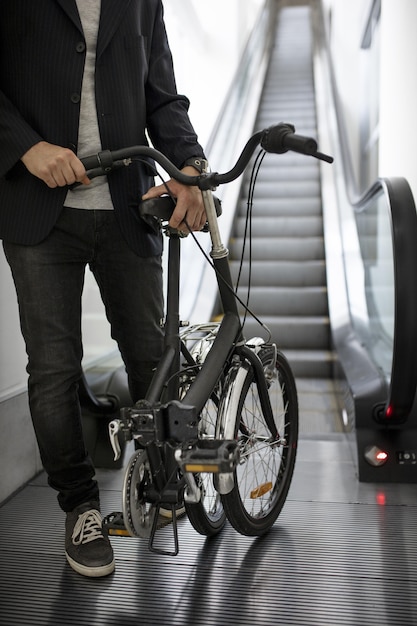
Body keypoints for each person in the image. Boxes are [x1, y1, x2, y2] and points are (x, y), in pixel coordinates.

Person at [0, 0, 207, 577]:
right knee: (53, 372)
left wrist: (190, 164)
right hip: (39, 213)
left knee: (152, 356)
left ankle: (164, 485)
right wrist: (26, 146)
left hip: (127, 208)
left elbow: (161, 93)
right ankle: (81, 509)